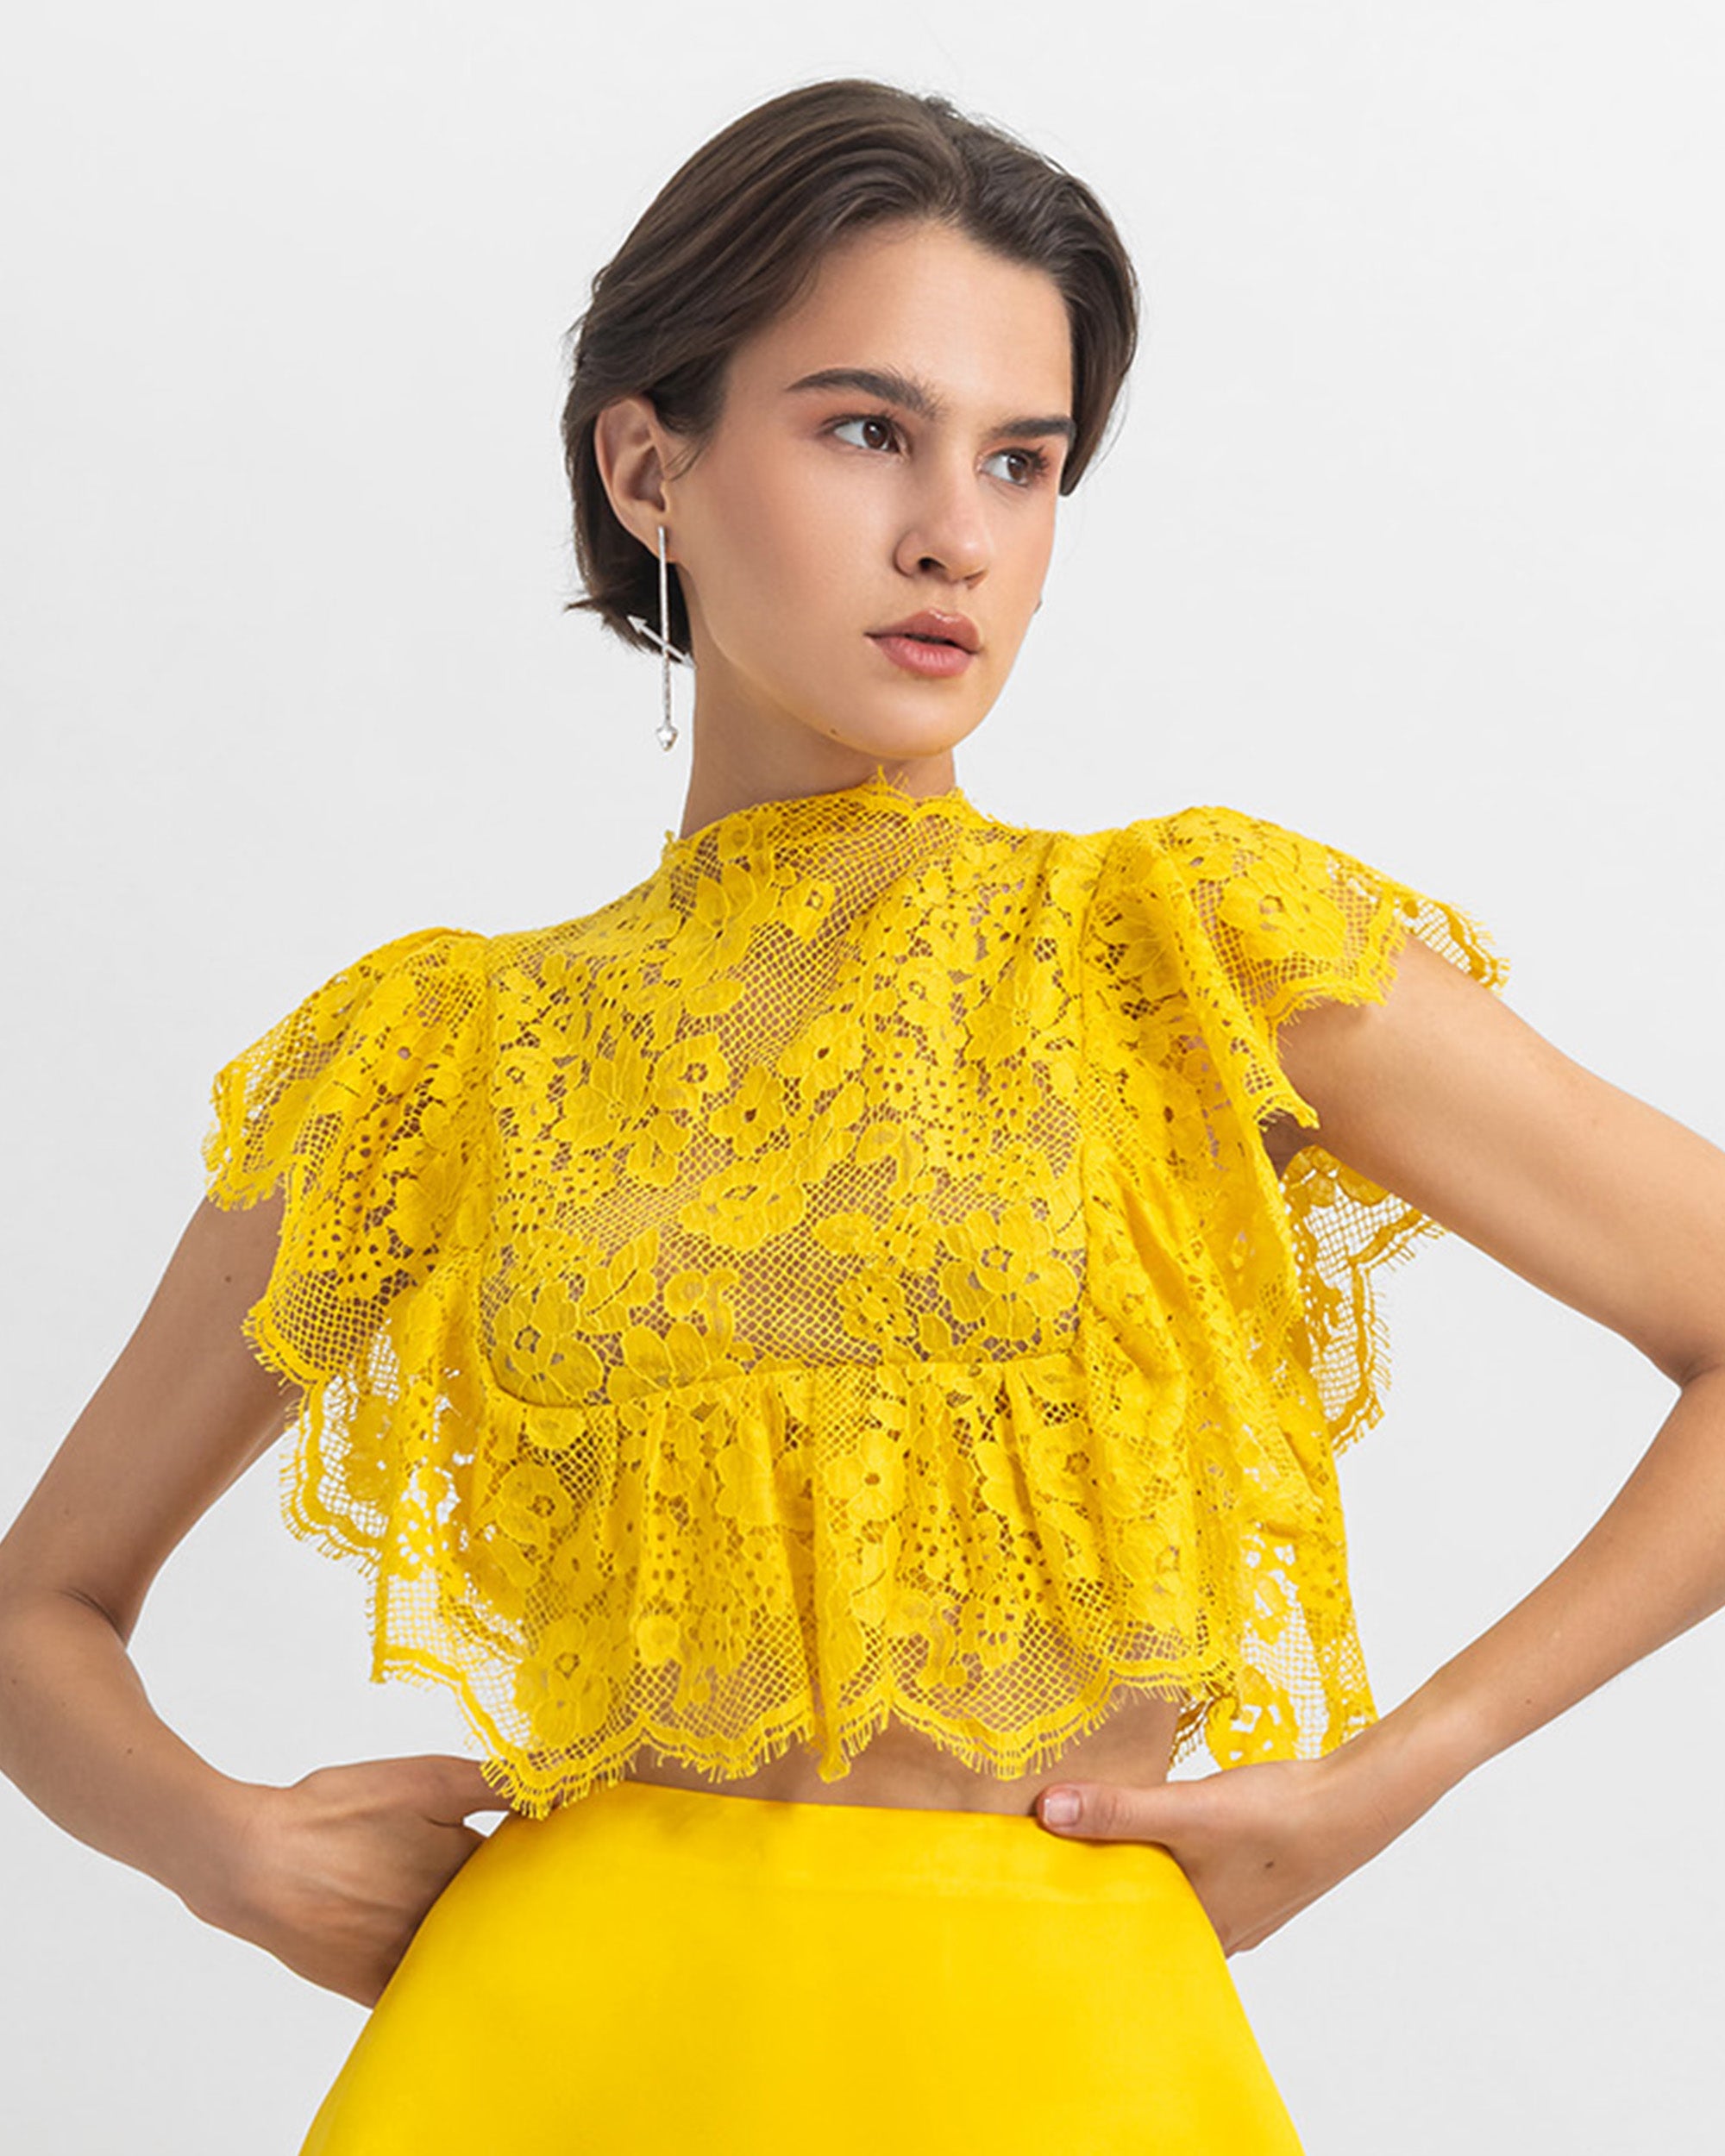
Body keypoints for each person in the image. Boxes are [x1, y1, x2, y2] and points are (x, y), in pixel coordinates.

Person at [3, 73, 1723, 2155]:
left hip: (1061, 2054)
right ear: (648, 464)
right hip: (544, 2050)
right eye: (863, 430)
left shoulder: (1186, 950)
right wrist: (221, 1843)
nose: (955, 536)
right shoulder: (447, 1047)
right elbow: (36, 1607)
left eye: (1021, 459)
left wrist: (1394, 1772)